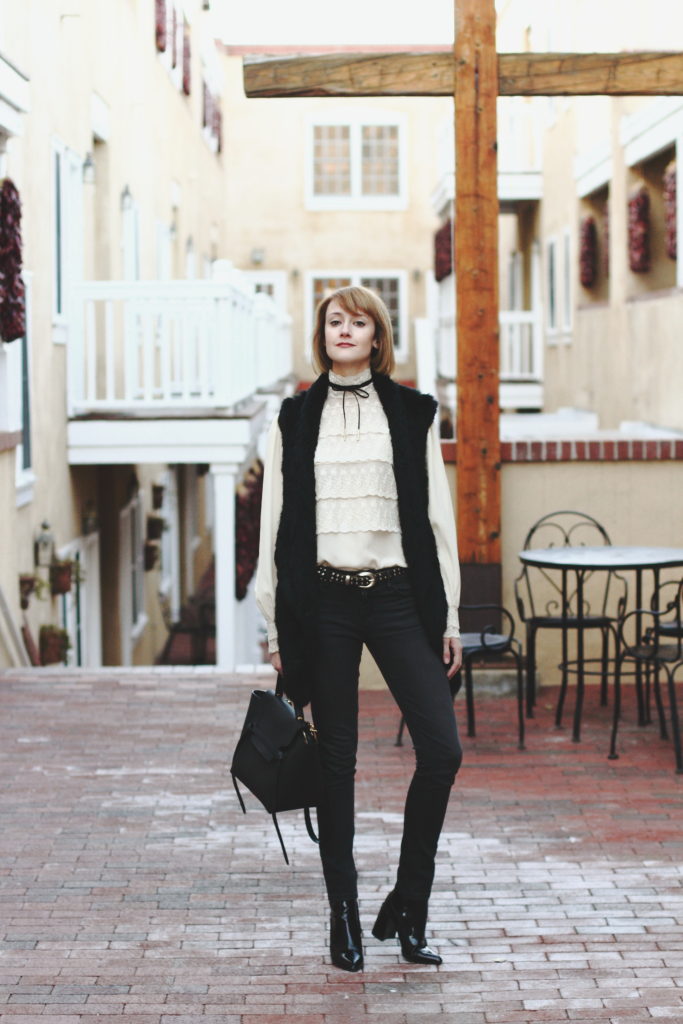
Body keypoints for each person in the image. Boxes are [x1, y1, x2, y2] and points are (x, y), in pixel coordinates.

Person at [255, 285, 463, 972]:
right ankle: (341, 918)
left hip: (399, 596)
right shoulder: (292, 417)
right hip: (324, 603)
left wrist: (450, 613)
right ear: (323, 335)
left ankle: (409, 904)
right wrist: (274, 625)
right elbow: (275, 526)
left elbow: (436, 517)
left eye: (359, 321)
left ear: (378, 335)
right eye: (334, 321)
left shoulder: (410, 412)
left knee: (441, 749)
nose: (345, 330)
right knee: (336, 761)